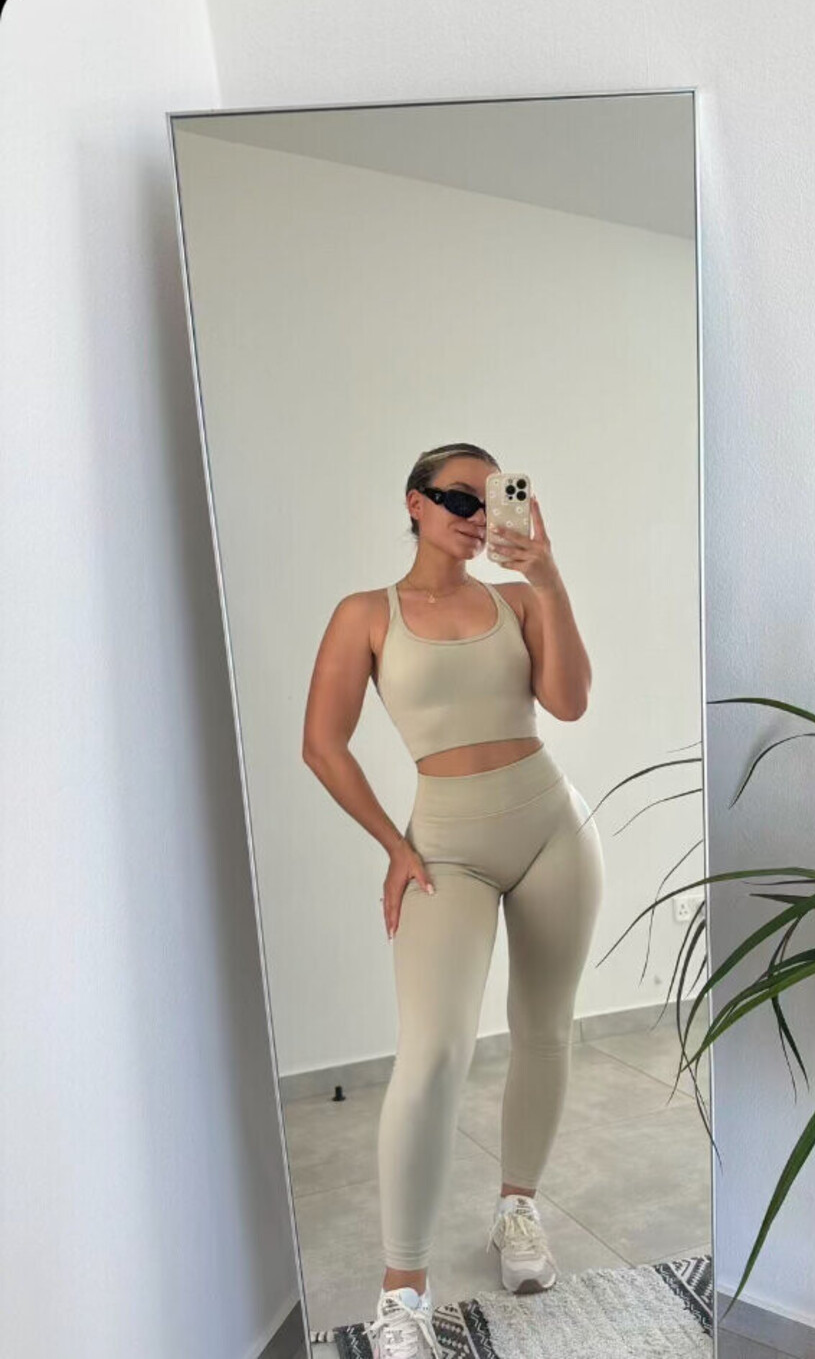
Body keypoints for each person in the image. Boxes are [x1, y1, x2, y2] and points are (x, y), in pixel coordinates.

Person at [301, 443, 605, 1359]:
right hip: (445, 849)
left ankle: (518, 1209)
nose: (479, 515)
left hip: (553, 828)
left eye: (495, 497)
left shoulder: (519, 599)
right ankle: (403, 1292)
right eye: (460, 499)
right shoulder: (367, 613)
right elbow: (323, 744)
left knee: (545, 1029)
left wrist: (548, 576)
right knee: (434, 1052)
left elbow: (569, 702)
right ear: (415, 503)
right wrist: (394, 846)